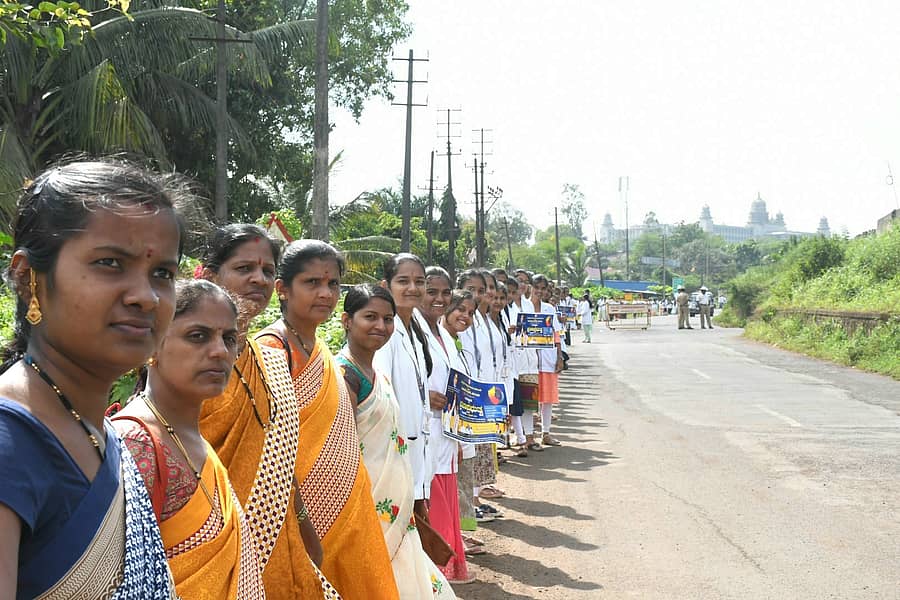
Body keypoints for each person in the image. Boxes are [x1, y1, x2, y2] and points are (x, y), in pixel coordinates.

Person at [0, 159, 183, 598]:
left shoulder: (97, 432)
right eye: (109, 263)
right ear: (30, 278)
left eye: (163, 273)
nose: (145, 296)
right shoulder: (10, 443)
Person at [197, 225, 338, 599]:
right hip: (208, 540)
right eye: (244, 269)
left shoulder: (270, 359)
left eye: (267, 270)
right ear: (210, 276)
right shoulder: (186, 359)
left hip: (277, 532)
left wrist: (304, 525)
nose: (258, 279)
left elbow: (280, 458)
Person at [256, 240, 398, 599]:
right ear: (282, 290)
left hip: (348, 503)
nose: (326, 293)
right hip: (296, 513)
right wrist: (302, 522)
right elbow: (268, 450)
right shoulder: (271, 350)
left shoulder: (319, 351)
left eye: (333, 284)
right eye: (312, 283)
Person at [113, 280, 266, 598]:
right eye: (198, 336)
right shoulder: (135, 444)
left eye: (229, 338)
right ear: (153, 344)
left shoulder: (196, 443)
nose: (220, 351)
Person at [337, 285, 457, 598]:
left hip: (396, 506)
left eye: (388, 319)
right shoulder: (344, 376)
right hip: (367, 506)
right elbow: (342, 452)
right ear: (346, 321)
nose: (381, 326)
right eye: (370, 317)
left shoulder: (378, 374)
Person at [417, 269, 476, 582]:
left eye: (445, 292)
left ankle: (448, 569)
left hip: (448, 432)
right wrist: (426, 396)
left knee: (446, 497)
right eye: (431, 291)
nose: (439, 299)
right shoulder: (410, 332)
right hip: (427, 431)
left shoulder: (442, 334)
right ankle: (435, 575)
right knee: (433, 502)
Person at [373, 254, 433, 511]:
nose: (412, 288)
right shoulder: (385, 332)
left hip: (417, 442)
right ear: (385, 286)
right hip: (393, 451)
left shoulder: (414, 330)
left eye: (419, 281)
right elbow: (382, 396)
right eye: (403, 281)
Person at [531, 275, 564, 447]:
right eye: (537, 287)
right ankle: (526, 435)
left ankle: (546, 433)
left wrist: (559, 357)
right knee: (529, 399)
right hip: (527, 360)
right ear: (530, 287)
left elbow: (556, 334)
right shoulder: (522, 307)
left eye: (543, 288)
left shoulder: (549, 309)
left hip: (548, 359)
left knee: (547, 399)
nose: (540, 291)